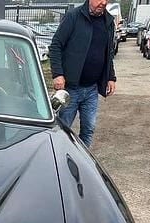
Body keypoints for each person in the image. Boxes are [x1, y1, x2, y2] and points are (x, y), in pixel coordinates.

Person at [48, 0, 117, 147]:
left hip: (92, 89)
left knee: (88, 129)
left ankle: (83, 158)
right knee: (62, 129)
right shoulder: (73, 17)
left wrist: (111, 77)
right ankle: (59, 155)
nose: (103, 3)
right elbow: (56, 45)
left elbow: (108, 53)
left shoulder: (108, 22)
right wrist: (58, 74)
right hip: (70, 89)